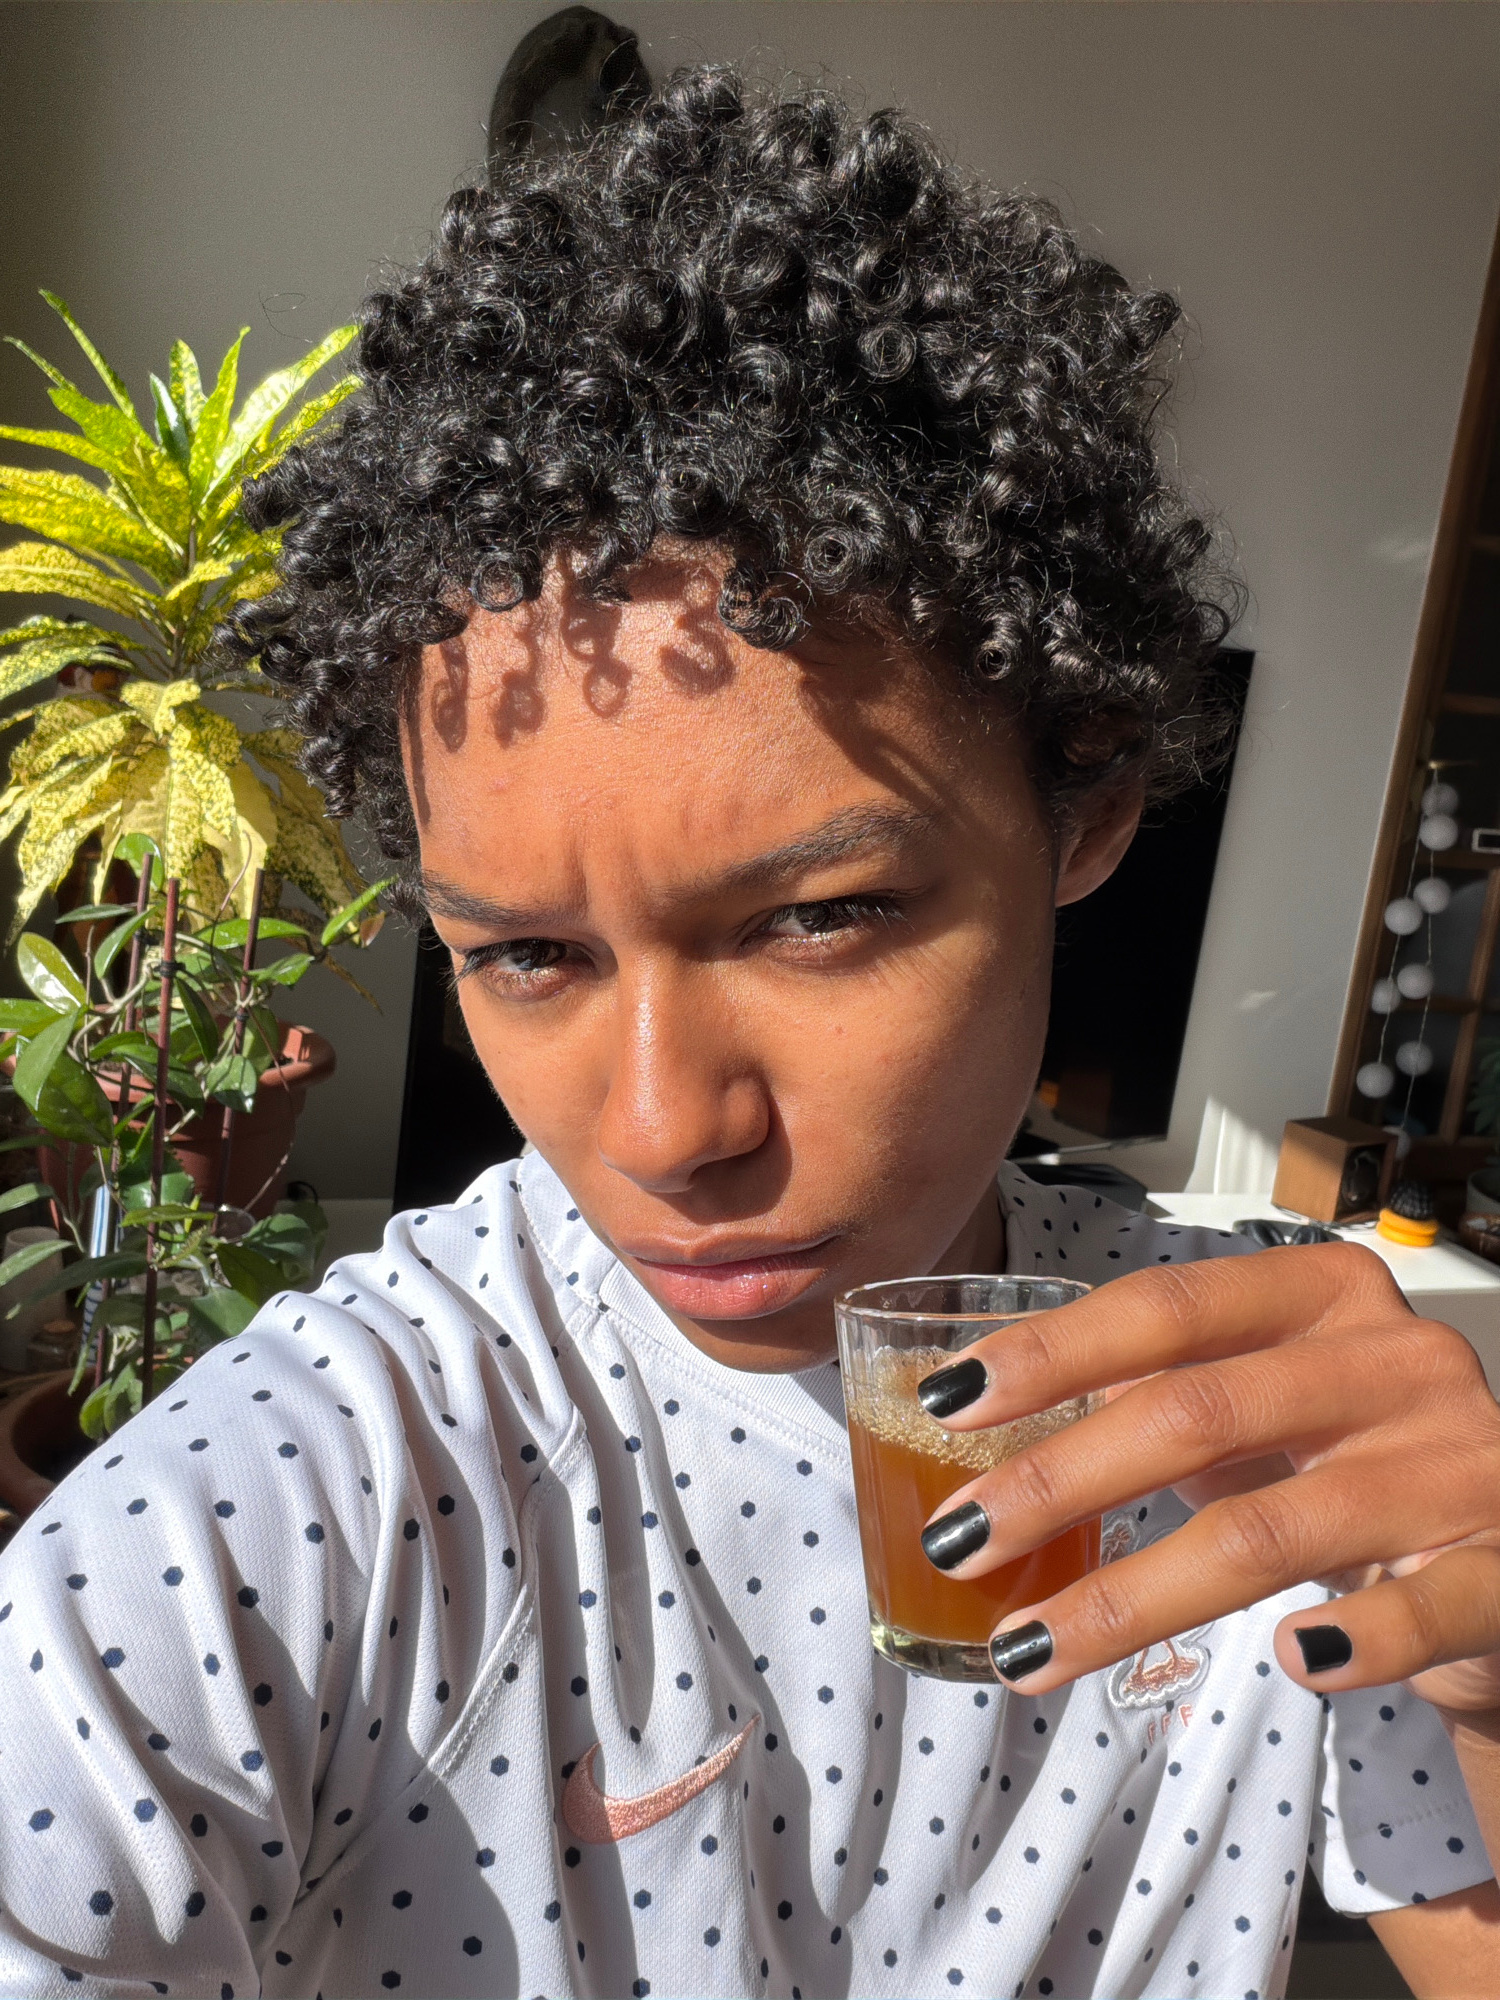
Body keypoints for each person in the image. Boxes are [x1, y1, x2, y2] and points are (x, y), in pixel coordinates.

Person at [2, 64, 1498, 2000]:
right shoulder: (322, 1488)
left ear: (1090, 802)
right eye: (523, 957)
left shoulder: (1283, 1409)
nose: (659, 1131)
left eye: (819, 917)